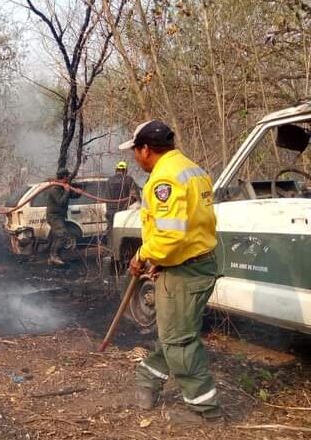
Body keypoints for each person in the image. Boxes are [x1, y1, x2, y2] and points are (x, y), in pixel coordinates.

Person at [119, 120, 221, 423]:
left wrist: (142, 256)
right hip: (195, 262)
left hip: (185, 272)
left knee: (179, 342)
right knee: (174, 332)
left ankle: (206, 412)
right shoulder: (192, 168)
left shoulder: (165, 180)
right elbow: (189, 227)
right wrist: (159, 260)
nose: (136, 158)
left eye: (135, 151)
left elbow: (171, 234)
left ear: (146, 149)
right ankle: (147, 383)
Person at [46, 168, 74, 266]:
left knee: (57, 237)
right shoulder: (55, 189)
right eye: (67, 176)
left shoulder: (61, 187)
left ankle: (52, 258)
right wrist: (66, 191)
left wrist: (77, 191)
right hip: (54, 217)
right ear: (64, 177)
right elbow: (61, 202)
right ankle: (54, 256)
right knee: (63, 235)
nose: (68, 178)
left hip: (58, 216)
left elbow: (72, 195)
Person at [105, 161, 139, 231]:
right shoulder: (129, 179)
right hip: (124, 212)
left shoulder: (109, 180)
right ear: (125, 170)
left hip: (111, 213)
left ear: (116, 170)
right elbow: (136, 196)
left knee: (112, 231)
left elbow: (107, 196)